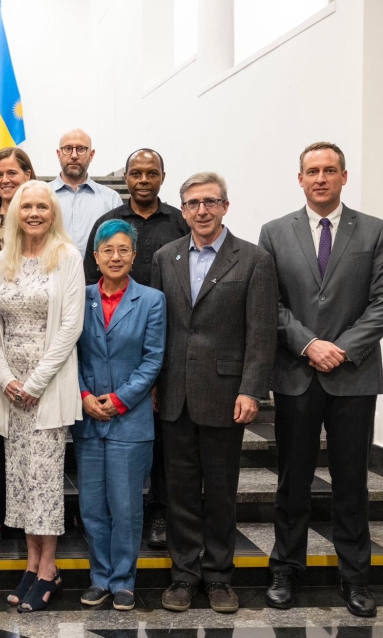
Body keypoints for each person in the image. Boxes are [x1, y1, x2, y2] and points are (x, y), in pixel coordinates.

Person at [258, 142, 383, 617]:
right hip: (297, 374)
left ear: (344, 176)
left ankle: (355, 577)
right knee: (292, 481)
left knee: (352, 482)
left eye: (329, 170)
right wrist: (309, 344)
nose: (321, 178)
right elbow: (270, 303)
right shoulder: (274, 232)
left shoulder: (374, 230)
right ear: (300, 178)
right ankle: (285, 570)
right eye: (312, 171)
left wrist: (341, 348)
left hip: (353, 376)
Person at [151, 172, 278, 614]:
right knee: (180, 491)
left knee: (221, 491)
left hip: (226, 394)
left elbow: (261, 332)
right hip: (174, 393)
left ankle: (220, 576)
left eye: (210, 202)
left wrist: (252, 390)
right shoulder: (165, 257)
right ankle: (184, 576)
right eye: (192, 203)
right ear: (183, 210)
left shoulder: (254, 259)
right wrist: (154, 383)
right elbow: (158, 325)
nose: (201, 210)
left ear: (225, 206)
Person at [83, 148, 189, 551]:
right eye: (136, 173)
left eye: (151, 173)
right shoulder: (109, 223)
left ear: (162, 176)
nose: (143, 180)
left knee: (161, 443)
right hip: (114, 348)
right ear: (125, 177)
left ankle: (159, 511)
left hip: (164, 345)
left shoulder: (179, 222)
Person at [0, 180, 84, 613]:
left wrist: (34, 383)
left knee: (45, 482)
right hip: (11, 392)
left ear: (53, 213)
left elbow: (70, 327)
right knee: (21, 482)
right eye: (26, 206)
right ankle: (31, 564)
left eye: (41, 207)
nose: (33, 213)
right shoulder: (3, 259)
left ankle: (49, 569)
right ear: (15, 212)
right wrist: (5, 377)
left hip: (46, 390)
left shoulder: (66, 256)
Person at [73, 219, 166, 611]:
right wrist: (82, 394)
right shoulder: (80, 297)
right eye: (107, 250)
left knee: (126, 507)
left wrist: (120, 399)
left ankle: (124, 580)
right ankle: (100, 578)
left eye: (123, 249)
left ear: (134, 255)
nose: (115, 257)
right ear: (95, 256)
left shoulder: (152, 300)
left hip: (130, 419)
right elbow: (69, 352)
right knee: (92, 507)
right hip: (88, 417)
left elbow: (153, 359)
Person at [0, 146, 37, 545]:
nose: (5, 180)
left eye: (12, 173)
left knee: (30, 440)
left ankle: (27, 513)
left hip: (33, 348)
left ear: (28, 175)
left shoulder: (40, 221)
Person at [51, 128, 122, 253]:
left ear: (91, 155)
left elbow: (120, 243)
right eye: (67, 148)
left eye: (81, 149)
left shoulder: (111, 199)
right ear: (58, 154)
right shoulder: (42, 195)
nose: (74, 156)